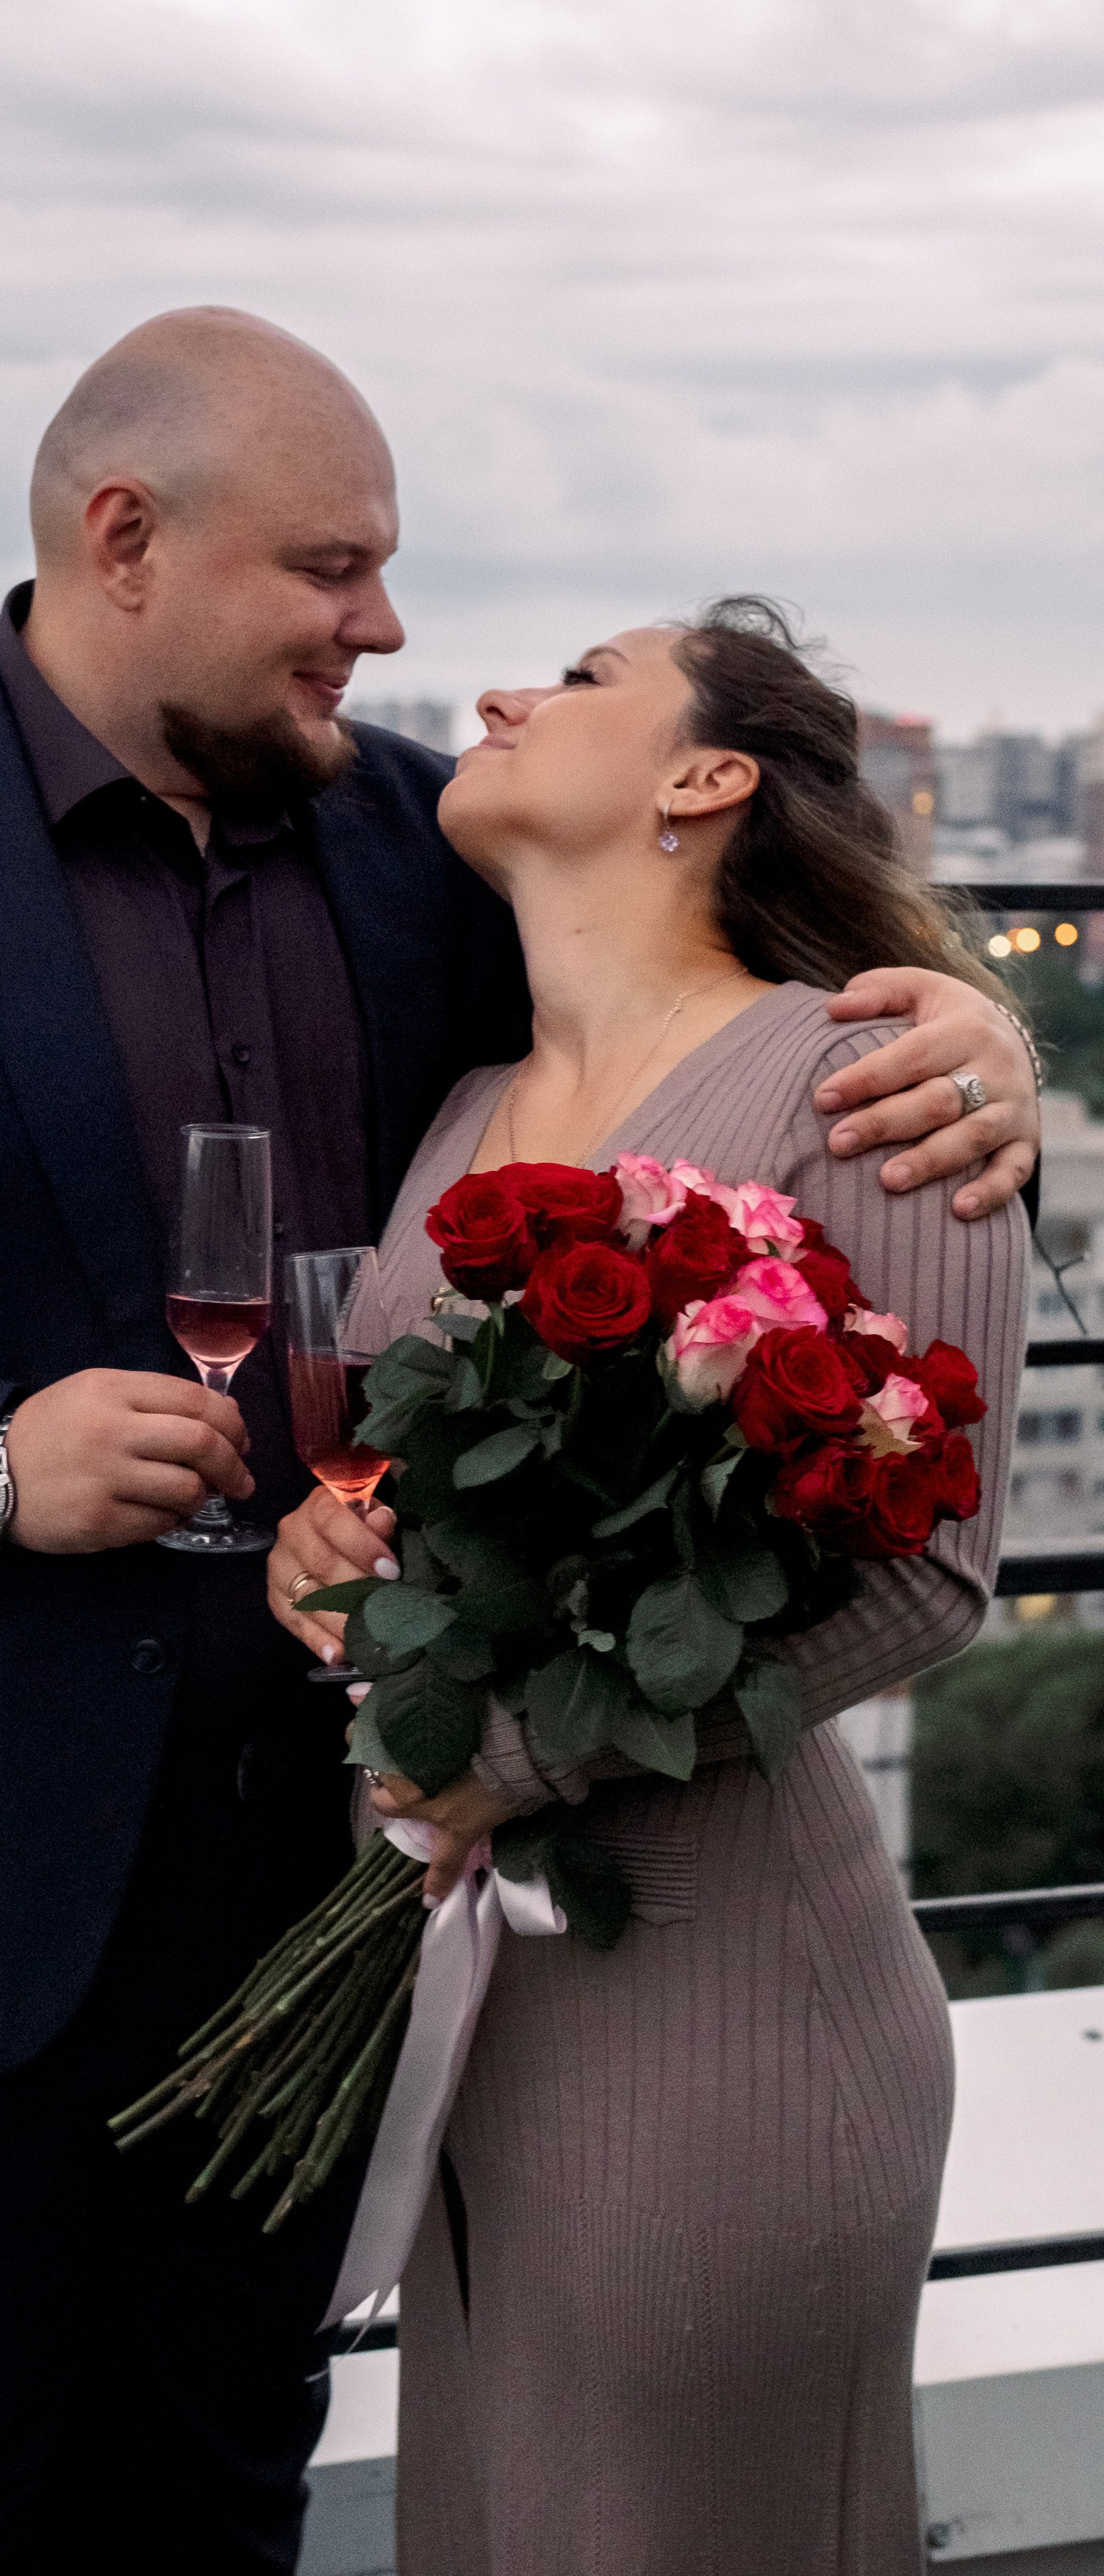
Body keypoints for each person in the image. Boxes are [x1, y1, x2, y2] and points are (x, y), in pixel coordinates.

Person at [0, 309, 1033, 2576]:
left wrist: (966, 1026)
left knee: (212, 2501)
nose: (384, 629)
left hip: (307, 1879)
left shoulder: (419, 840)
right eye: (332, 569)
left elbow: (704, 1049)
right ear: (126, 540)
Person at [268, 600, 1029, 2576]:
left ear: (708, 780)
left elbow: (922, 1575)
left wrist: (500, 1750)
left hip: (724, 2007)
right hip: (478, 1995)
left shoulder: (858, 1072)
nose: (504, 694)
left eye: (583, 678)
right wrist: (331, 1552)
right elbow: (410, 1494)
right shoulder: (464, 1108)